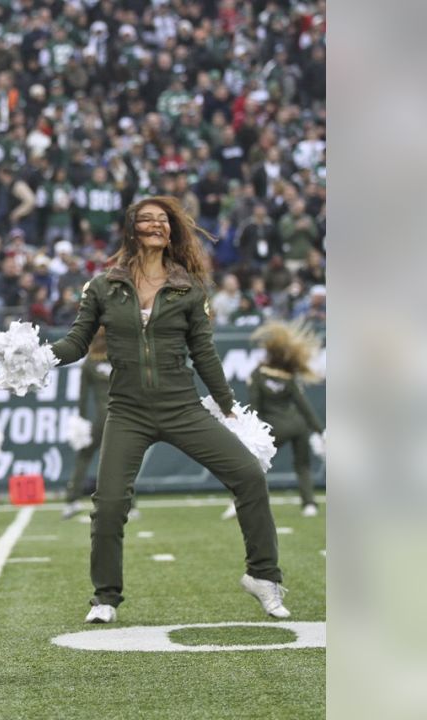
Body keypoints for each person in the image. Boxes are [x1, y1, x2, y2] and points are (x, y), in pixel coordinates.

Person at [49, 195, 290, 624]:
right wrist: (42, 355)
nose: (157, 225)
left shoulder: (188, 288)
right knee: (108, 504)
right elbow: (77, 342)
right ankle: (105, 596)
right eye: (147, 219)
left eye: (163, 220)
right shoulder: (103, 286)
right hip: (127, 411)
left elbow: (205, 353)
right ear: (131, 228)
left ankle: (263, 576)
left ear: (172, 230)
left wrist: (228, 407)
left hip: (181, 407)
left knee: (249, 474)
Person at [244, 321, 325, 517]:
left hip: (274, 428)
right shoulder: (289, 377)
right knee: (303, 466)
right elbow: (303, 405)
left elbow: (254, 405)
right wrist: (319, 430)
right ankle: (309, 504)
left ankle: (240, 500)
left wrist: (250, 432)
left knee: (254, 464)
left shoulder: (258, 374)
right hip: (297, 425)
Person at [63, 329, 109, 520]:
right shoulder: (120, 358)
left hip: (101, 418)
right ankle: (131, 505)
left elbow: (83, 398)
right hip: (122, 415)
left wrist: (81, 421)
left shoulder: (89, 363)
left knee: (84, 456)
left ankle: (71, 501)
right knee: (121, 460)